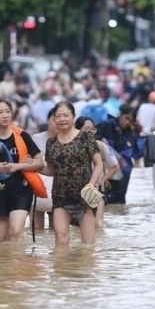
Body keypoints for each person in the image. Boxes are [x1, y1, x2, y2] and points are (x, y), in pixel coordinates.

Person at [0, 99, 44, 243]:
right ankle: (4, 265)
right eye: (0, 112)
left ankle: (17, 265)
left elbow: (39, 162)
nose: (5, 115)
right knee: (1, 240)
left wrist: (18, 166)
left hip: (21, 191)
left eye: (8, 111)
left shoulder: (23, 136)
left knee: (15, 231)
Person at [40, 101, 104, 246]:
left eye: (66, 115)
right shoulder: (51, 143)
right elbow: (51, 170)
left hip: (84, 196)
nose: (62, 119)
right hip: (61, 195)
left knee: (88, 243)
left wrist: (91, 185)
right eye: (58, 116)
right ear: (54, 120)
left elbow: (99, 164)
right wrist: (35, 167)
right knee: (60, 238)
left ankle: (84, 268)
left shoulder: (86, 137)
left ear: (73, 117)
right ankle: (62, 268)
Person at [75, 116, 121, 228]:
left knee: (97, 225)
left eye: (92, 129)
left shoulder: (100, 146)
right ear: (77, 130)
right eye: (86, 129)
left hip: (96, 191)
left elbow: (115, 166)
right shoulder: (71, 147)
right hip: (75, 191)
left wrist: (102, 180)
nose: (90, 132)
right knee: (76, 227)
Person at [96, 105, 145, 205]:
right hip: (105, 169)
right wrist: (101, 139)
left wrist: (143, 138)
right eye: (126, 118)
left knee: (118, 201)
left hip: (123, 172)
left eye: (130, 121)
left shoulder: (131, 134)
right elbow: (91, 134)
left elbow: (137, 154)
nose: (127, 122)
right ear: (121, 115)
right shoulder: (107, 125)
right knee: (101, 198)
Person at [30, 106, 58, 232]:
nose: (57, 122)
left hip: (58, 188)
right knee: (36, 228)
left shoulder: (68, 140)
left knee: (56, 229)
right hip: (37, 185)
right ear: (47, 120)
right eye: (54, 119)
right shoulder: (34, 139)